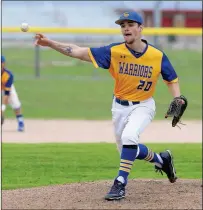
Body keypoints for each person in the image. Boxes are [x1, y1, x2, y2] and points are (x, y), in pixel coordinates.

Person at [34, 11, 186, 200]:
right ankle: (162, 160)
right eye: (123, 25)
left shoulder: (156, 55)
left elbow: (171, 79)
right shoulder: (114, 51)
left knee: (130, 137)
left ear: (140, 28)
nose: (126, 28)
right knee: (127, 150)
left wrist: (177, 98)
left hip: (144, 105)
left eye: (130, 24)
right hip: (119, 107)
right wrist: (50, 43)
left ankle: (120, 183)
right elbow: (78, 51)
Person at [1, 55, 25, 132]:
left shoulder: (8, 75)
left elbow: (6, 93)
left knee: (15, 103)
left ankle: (20, 121)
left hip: (7, 89)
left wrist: (3, 108)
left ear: (3, 64)